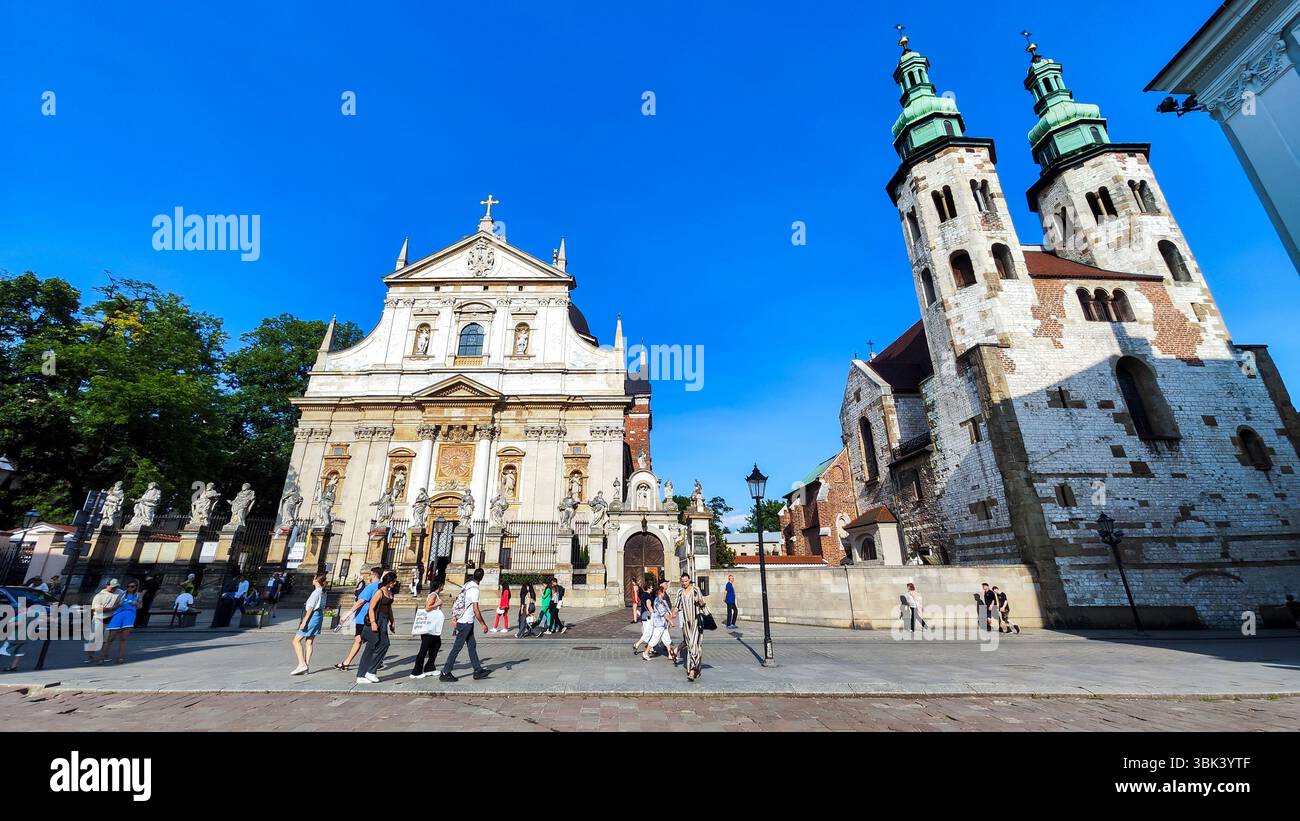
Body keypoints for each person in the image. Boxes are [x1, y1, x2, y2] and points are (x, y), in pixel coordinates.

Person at [439, 567, 491, 682]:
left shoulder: (467, 585)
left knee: (472, 646)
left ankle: (478, 670)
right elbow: (476, 610)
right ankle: (445, 672)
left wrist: (454, 616)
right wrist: (483, 624)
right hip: (465, 623)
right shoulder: (475, 589)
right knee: (457, 648)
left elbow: (458, 601)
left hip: (464, 621)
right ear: (482, 578)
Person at [335, 567, 382, 672]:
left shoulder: (371, 587)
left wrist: (349, 612)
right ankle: (347, 662)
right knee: (363, 639)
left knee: (359, 640)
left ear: (374, 575)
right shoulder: (381, 586)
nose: (369, 577)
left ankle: (348, 663)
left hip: (363, 617)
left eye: (370, 575)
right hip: (373, 617)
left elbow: (361, 601)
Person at [356, 571, 399, 684]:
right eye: (394, 581)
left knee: (384, 644)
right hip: (376, 620)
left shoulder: (390, 593)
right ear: (389, 581)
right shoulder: (379, 592)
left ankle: (370, 671)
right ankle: (363, 674)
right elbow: (371, 608)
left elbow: (389, 608)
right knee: (371, 647)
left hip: (384, 620)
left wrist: (392, 621)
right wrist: (374, 622)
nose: (395, 583)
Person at [291, 573, 328, 675]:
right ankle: (306, 666)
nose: (312, 580)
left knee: (296, 641)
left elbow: (311, 608)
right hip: (319, 616)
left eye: (313, 578)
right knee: (309, 641)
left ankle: (302, 664)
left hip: (312, 616)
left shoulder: (316, 592)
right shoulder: (323, 592)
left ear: (316, 580)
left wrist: (304, 622)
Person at [98, 579, 142, 664]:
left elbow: (140, 606)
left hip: (129, 616)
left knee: (123, 638)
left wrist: (136, 604)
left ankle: (120, 657)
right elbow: (115, 605)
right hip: (118, 615)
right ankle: (102, 657)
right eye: (128, 586)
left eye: (132, 586)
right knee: (110, 638)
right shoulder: (122, 594)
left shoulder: (138, 595)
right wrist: (119, 604)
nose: (130, 588)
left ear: (136, 587)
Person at [410, 582, 445, 678]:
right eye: (442, 584)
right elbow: (427, 608)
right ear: (439, 585)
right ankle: (416, 671)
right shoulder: (433, 595)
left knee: (436, 645)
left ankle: (430, 667)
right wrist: (437, 604)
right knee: (424, 648)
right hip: (429, 626)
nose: (443, 586)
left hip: (433, 626)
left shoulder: (435, 595)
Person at [676, 573, 707, 682]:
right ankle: (695, 669)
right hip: (686, 623)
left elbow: (703, 604)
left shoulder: (695, 590)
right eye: (682, 581)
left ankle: (692, 671)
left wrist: (699, 600)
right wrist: (671, 615)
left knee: (694, 645)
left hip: (696, 622)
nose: (684, 583)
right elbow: (676, 606)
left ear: (689, 580)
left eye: (686, 581)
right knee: (691, 646)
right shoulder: (680, 592)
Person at [87, 580, 122, 663]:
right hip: (99, 618)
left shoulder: (120, 592)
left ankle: (104, 655)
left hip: (111, 618)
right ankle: (90, 656)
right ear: (107, 585)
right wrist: (112, 608)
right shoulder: (99, 595)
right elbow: (96, 609)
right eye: (113, 587)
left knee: (106, 639)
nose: (114, 589)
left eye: (116, 587)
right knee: (94, 638)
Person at [642, 582, 676, 662]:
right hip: (659, 623)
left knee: (666, 639)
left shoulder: (661, 600)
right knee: (655, 638)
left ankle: (670, 655)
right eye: (663, 592)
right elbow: (663, 613)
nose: (665, 593)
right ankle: (646, 652)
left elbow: (666, 610)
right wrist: (670, 621)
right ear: (660, 592)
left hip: (663, 623)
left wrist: (671, 616)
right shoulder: (658, 601)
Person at [632, 581, 655, 655]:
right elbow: (648, 605)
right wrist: (653, 612)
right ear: (648, 587)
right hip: (648, 615)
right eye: (651, 587)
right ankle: (637, 644)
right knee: (648, 633)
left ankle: (651, 648)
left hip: (644, 614)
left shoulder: (643, 594)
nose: (652, 588)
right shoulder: (647, 595)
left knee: (648, 631)